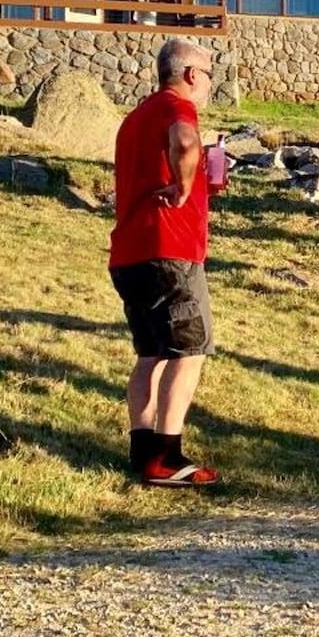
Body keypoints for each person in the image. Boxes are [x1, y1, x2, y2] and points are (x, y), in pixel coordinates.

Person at [109, 37, 223, 488]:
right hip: (170, 250)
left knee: (150, 353)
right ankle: (169, 457)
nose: (210, 85)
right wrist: (183, 185)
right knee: (190, 350)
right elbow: (185, 141)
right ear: (192, 74)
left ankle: (143, 452)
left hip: (129, 253)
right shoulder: (178, 108)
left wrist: (191, 179)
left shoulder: (133, 119)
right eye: (209, 76)